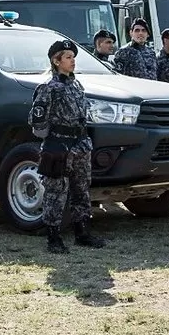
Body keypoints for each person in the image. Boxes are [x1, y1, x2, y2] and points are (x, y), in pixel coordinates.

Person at [29, 38, 106, 254]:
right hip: (59, 146)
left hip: (80, 144)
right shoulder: (48, 87)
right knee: (56, 192)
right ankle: (53, 237)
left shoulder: (76, 83)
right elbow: (37, 120)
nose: (73, 61)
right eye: (68, 58)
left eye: (73, 57)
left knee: (81, 189)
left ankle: (82, 233)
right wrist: (52, 141)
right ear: (56, 61)